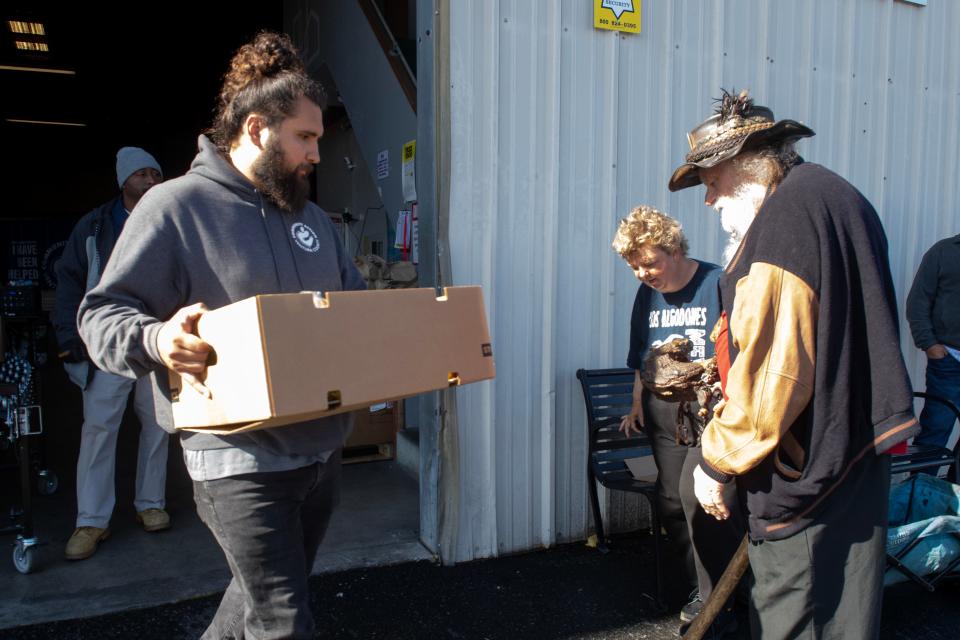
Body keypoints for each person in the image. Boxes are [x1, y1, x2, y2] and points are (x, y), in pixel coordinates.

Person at [77, 32, 366, 638]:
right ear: (258, 128)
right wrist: (158, 340)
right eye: (305, 138)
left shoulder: (311, 219)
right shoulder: (175, 208)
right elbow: (100, 315)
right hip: (237, 459)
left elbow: (353, 307)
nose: (316, 154)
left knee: (254, 606)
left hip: (319, 452)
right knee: (283, 622)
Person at [668, 89, 918, 639]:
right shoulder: (834, 195)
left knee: (793, 618)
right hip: (852, 454)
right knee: (846, 617)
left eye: (711, 182)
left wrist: (718, 463)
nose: (708, 201)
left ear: (751, 163)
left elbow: (775, 373)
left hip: (805, 471)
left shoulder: (784, 220)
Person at [612, 206, 743, 637]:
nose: (642, 273)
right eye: (634, 266)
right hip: (662, 411)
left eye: (649, 262)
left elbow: (739, 348)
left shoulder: (717, 282)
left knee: (697, 495)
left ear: (674, 248)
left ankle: (717, 594)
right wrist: (636, 402)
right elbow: (641, 356)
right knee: (670, 500)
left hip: (710, 409)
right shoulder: (647, 295)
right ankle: (701, 583)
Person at [53, 146, 169, 561]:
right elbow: (68, 281)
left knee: (158, 426)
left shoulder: (167, 218)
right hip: (106, 342)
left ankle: (151, 505)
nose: (151, 181)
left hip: (154, 339)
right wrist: (69, 338)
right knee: (99, 429)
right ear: (124, 181)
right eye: (142, 174)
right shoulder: (95, 224)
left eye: (155, 174)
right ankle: (91, 521)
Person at [906, 234, 960, 449]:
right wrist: (929, 344)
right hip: (949, 361)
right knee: (936, 428)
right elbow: (917, 301)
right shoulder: (943, 251)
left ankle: (952, 483)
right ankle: (922, 481)